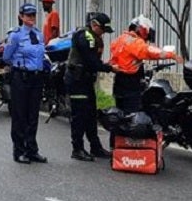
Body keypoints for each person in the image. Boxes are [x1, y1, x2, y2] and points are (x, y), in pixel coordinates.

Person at [108, 16, 180, 145]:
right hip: (131, 84)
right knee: (133, 117)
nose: (147, 37)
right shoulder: (134, 42)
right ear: (142, 29)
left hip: (119, 82)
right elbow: (149, 51)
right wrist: (171, 55)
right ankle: (132, 147)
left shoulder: (119, 40)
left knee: (120, 115)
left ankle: (116, 145)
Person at [3, 3, 50, 164]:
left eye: (33, 15)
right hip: (21, 77)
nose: (31, 18)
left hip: (36, 78)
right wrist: (19, 65)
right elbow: (6, 56)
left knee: (33, 115)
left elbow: (41, 55)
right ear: (21, 17)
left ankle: (32, 149)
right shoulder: (15, 35)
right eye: (28, 15)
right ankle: (19, 150)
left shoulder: (39, 34)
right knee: (20, 115)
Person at [66, 12, 115, 161]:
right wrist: (110, 68)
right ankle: (77, 149)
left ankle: (95, 147)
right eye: (102, 30)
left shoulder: (96, 37)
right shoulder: (85, 36)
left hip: (86, 80)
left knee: (91, 115)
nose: (104, 34)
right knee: (79, 116)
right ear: (94, 25)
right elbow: (91, 62)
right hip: (76, 80)